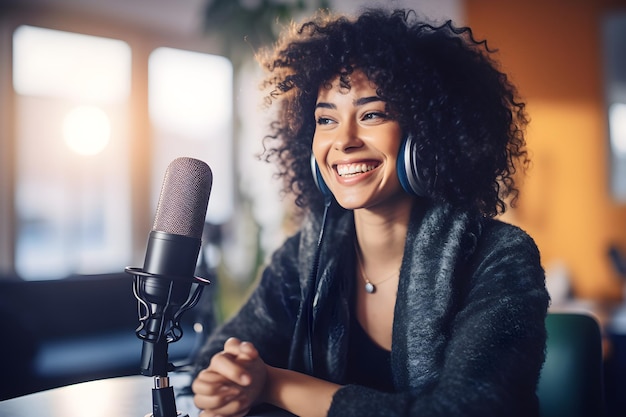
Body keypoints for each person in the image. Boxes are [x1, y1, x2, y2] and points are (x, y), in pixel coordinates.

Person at [191, 7, 550, 417]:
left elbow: (469, 409)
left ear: (427, 135)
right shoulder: (306, 255)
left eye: (372, 114)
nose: (343, 141)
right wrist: (225, 378)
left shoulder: (498, 256)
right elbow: (218, 356)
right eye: (326, 119)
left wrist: (275, 384)